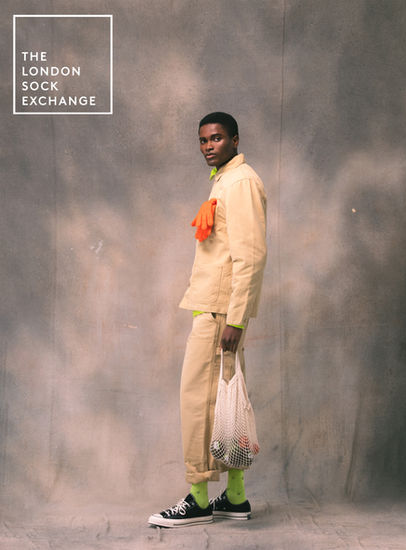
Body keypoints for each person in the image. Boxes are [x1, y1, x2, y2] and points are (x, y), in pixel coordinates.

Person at [148, 112, 267, 528]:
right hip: (215, 308)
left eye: (216, 138)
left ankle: (199, 500)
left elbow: (251, 256)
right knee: (223, 403)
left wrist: (236, 319)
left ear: (235, 139)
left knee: (199, 403)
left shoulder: (240, 182)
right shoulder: (225, 180)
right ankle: (235, 498)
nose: (208, 146)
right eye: (202, 140)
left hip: (221, 314)